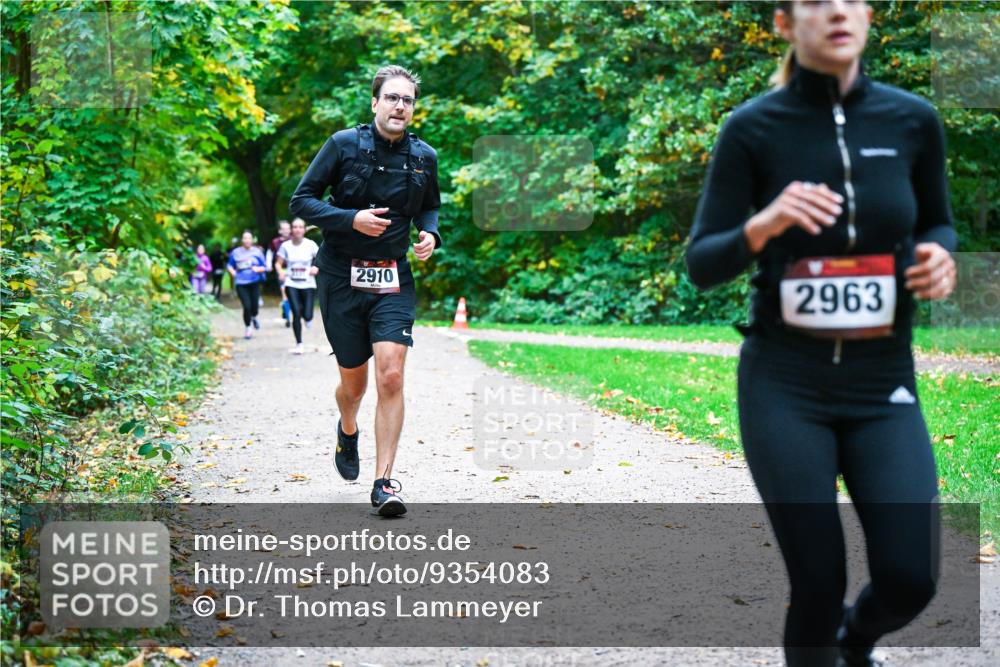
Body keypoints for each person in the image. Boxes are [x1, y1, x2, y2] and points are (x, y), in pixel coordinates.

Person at [685, 2, 957, 666]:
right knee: (816, 581)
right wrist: (766, 223)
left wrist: (939, 255)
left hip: (882, 379)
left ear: (868, 15)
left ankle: (855, 638)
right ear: (784, 22)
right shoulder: (752, 129)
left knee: (910, 576)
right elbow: (703, 262)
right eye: (814, 1)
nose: (836, 10)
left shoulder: (913, 120)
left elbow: (939, 223)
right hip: (785, 383)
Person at [289, 65, 441, 517]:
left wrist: (430, 234)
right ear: (375, 103)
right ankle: (348, 428)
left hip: (393, 277)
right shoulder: (342, 145)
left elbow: (430, 206)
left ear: (414, 107)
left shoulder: (423, 157)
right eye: (392, 98)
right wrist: (350, 218)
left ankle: (385, 483)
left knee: (391, 375)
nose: (400, 106)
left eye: (408, 100)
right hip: (340, 276)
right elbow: (302, 201)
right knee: (352, 386)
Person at [275, 218, 320, 355]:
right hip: (291, 282)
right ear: (291, 230)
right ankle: (299, 343)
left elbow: (320, 259)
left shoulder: (311, 244)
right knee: (296, 312)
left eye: (300, 227)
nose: (297, 229)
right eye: (295, 227)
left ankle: (308, 319)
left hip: (308, 283)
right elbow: (278, 263)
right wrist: (281, 272)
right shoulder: (286, 246)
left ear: (304, 229)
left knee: (307, 315)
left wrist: (315, 267)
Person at [227, 231, 268, 339]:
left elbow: (265, 267)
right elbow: (229, 265)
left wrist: (258, 269)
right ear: (242, 240)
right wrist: (232, 272)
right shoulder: (235, 252)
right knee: (247, 306)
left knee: (254, 307)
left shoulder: (257, 252)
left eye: (249, 238)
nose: (247, 240)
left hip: (254, 282)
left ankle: (254, 317)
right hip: (241, 283)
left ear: (252, 240)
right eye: (245, 238)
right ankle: (248, 328)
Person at [267, 220, 293, 327]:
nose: (286, 230)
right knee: (284, 292)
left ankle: (285, 307)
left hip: (294, 270)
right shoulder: (275, 242)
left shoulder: (294, 240)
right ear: (280, 231)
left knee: (293, 293)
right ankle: (288, 317)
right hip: (281, 270)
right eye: (284, 229)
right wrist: (268, 265)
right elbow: (269, 254)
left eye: (288, 228)